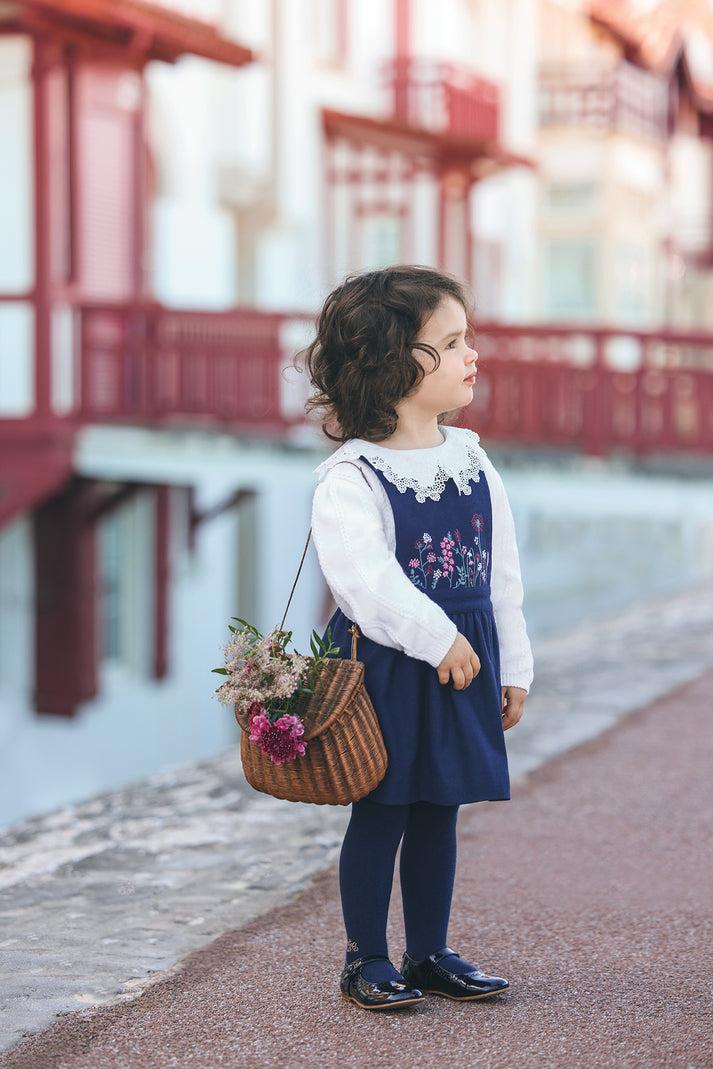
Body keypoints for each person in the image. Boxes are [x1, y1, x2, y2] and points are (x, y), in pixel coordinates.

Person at [304, 265, 534, 1011]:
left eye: (468, 338)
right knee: (382, 809)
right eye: (452, 341)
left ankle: (429, 950)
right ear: (393, 359)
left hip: (466, 660)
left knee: (441, 806)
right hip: (389, 666)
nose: (472, 354)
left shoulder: (471, 457)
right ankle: (366, 958)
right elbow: (364, 582)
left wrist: (514, 663)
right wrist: (436, 638)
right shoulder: (352, 476)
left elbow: (502, 572)